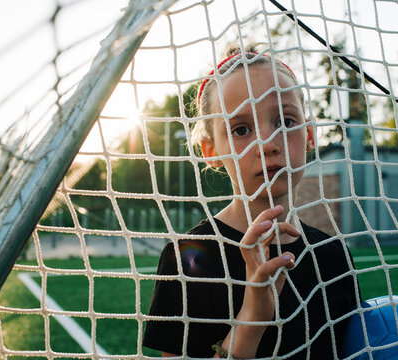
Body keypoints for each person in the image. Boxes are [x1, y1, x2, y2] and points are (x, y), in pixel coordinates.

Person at [142, 45, 359, 359]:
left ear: (310, 135)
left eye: (285, 121)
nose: (267, 144)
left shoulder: (334, 256)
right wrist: (252, 317)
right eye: (241, 129)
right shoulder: (189, 257)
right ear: (210, 151)